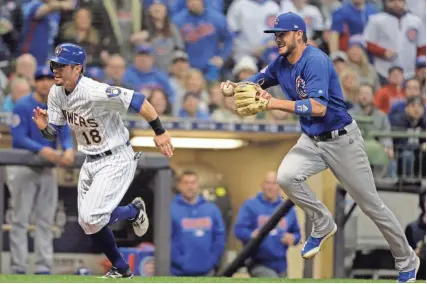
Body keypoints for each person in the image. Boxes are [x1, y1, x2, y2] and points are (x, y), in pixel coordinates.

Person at [220, 12, 419, 282]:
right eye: (275, 34)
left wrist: (273, 103)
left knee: (371, 205)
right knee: (286, 177)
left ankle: (407, 259)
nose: (278, 39)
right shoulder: (280, 64)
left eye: (283, 34)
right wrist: (235, 86)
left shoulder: (315, 60)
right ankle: (323, 222)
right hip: (312, 141)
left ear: (299, 34)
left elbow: (317, 107)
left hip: (342, 140)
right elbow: (258, 80)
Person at [31, 43, 174, 278]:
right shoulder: (56, 92)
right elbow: (53, 132)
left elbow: (138, 100)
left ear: (77, 68)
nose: (55, 70)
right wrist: (45, 128)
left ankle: (132, 212)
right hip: (91, 159)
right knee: (88, 224)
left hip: (116, 156)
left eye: (61, 66)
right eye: (53, 64)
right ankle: (122, 266)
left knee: (92, 217)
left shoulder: (94, 91)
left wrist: (159, 132)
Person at [8, 66, 74, 274]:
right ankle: (18, 267)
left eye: (48, 78)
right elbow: (18, 138)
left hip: (47, 168)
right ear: (34, 82)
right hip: (24, 167)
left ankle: (43, 267)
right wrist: (43, 149)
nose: (44, 82)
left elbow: (64, 135)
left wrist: (70, 149)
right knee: (20, 220)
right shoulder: (22, 105)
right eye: (40, 78)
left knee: (46, 220)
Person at [234, 171, 301, 278]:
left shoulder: (287, 209)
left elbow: (297, 234)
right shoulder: (250, 206)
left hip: (281, 265)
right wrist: (251, 235)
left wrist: (293, 238)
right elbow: (239, 230)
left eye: (274, 183)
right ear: (262, 185)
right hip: (259, 263)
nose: (271, 187)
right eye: (268, 183)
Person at [170, 170, 226, 276]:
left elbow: (219, 237)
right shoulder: (170, 209)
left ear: (198, 185)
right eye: (186, 183)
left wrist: (212, 259)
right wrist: (180, 260)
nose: (190, 186)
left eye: (193, 183)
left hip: (207, 271)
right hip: (178, 273)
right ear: (179, 186)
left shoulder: (212, 210)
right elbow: (165, 239)